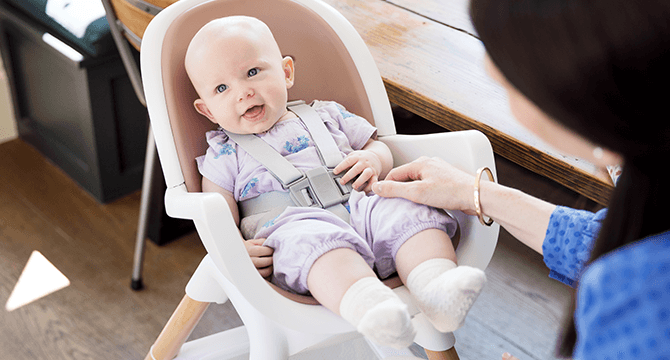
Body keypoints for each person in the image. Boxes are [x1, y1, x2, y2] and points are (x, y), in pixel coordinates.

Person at [371, 0, 670, 359]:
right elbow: (599, 240)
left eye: (510, 82)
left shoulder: (638, 298)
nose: (492, 72)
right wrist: (475, 193)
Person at [184, 16, 486, 349]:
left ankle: (437, 286)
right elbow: (215, 209)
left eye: (253, 72)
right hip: (294, 227)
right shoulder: (223, 154)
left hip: (364, 206)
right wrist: (234, 247)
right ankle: (371, 308)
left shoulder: (326, 114)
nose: (244, 92)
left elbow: (378, 145)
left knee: (406, 209)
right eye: (222, 88)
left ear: (286, 72)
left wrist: (373, 159)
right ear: (207, 110)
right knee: (311, 243)